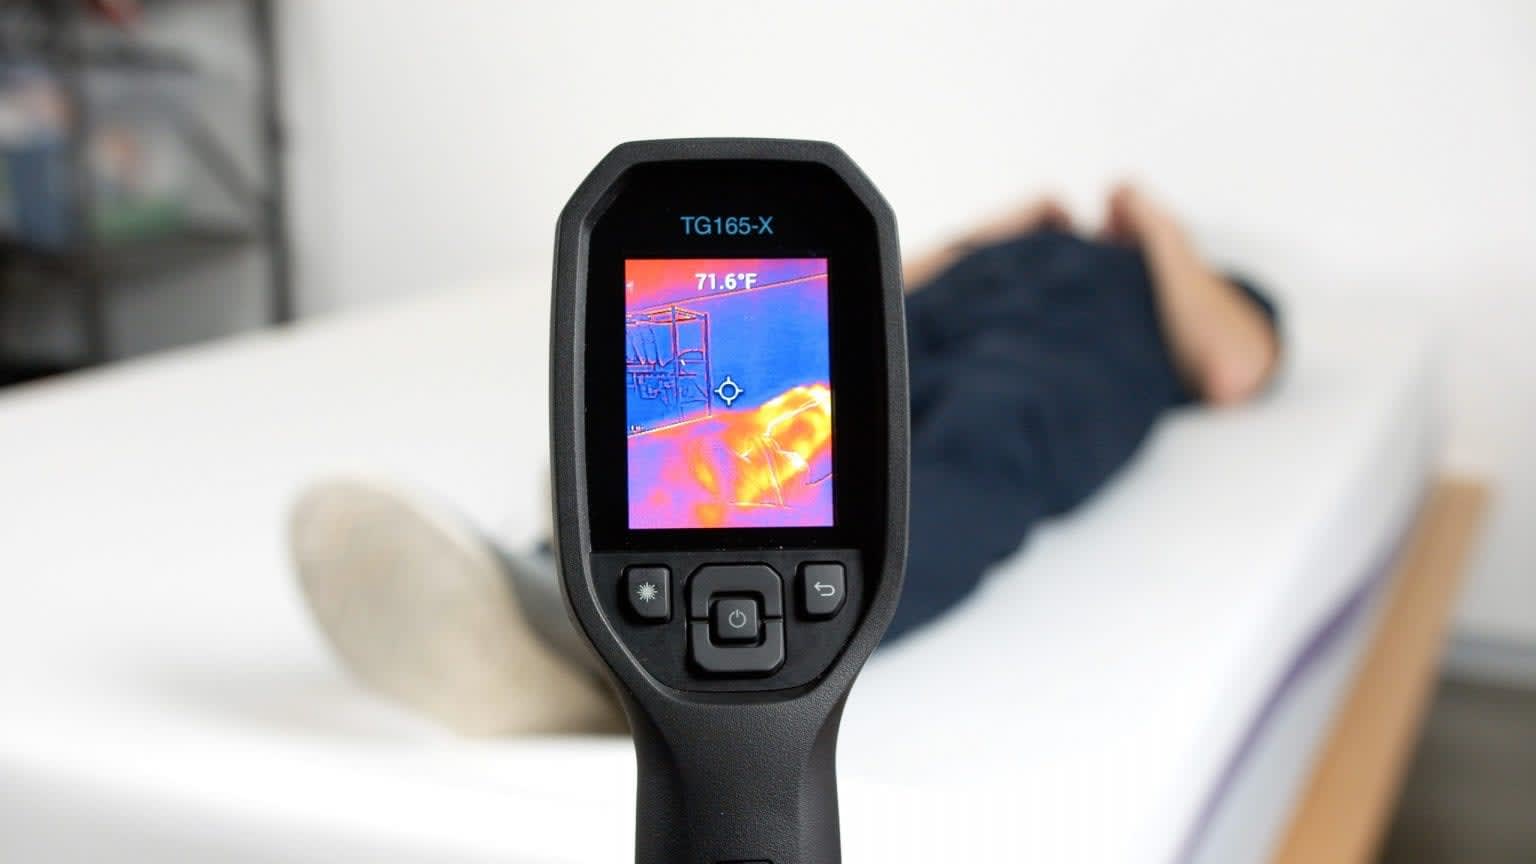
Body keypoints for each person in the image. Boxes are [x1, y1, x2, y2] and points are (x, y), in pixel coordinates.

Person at [289, 185, 1281, 735]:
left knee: (963, 462)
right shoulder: (1002, 251)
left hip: (1061, 363)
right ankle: (559, 591)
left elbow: (1234, 366)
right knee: (773, 433)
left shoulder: (1181, 282)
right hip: (924, 331)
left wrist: (1157, 227)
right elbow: (861, 285)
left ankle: (642, 670)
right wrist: (987, 237)